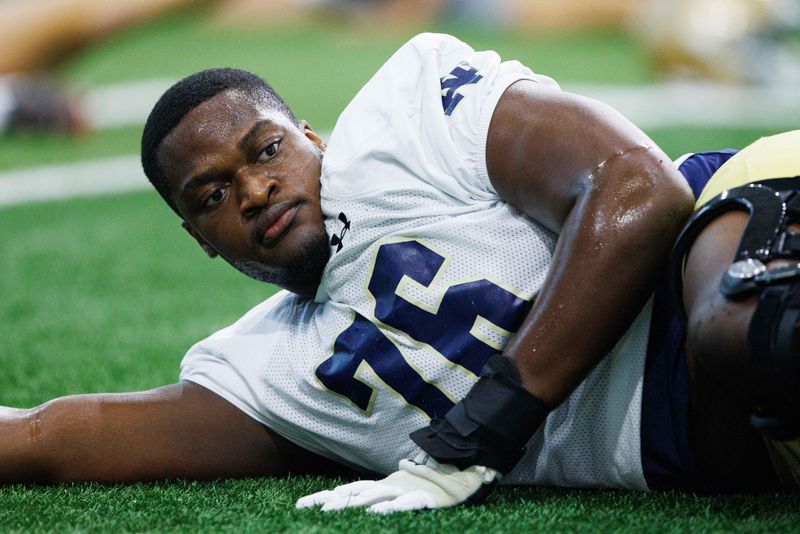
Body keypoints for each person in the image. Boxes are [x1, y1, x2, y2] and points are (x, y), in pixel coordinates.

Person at [0, 33, 792, 506]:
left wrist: (480, 431)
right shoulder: (267, 371)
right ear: (198, 237)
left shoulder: (407, 118)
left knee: (734, 326)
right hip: (724, 436)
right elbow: (46, 437)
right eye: (212, 195)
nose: (254, 190)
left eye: (267, 150)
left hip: (723, 233)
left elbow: (642, 189)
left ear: (310, 136)